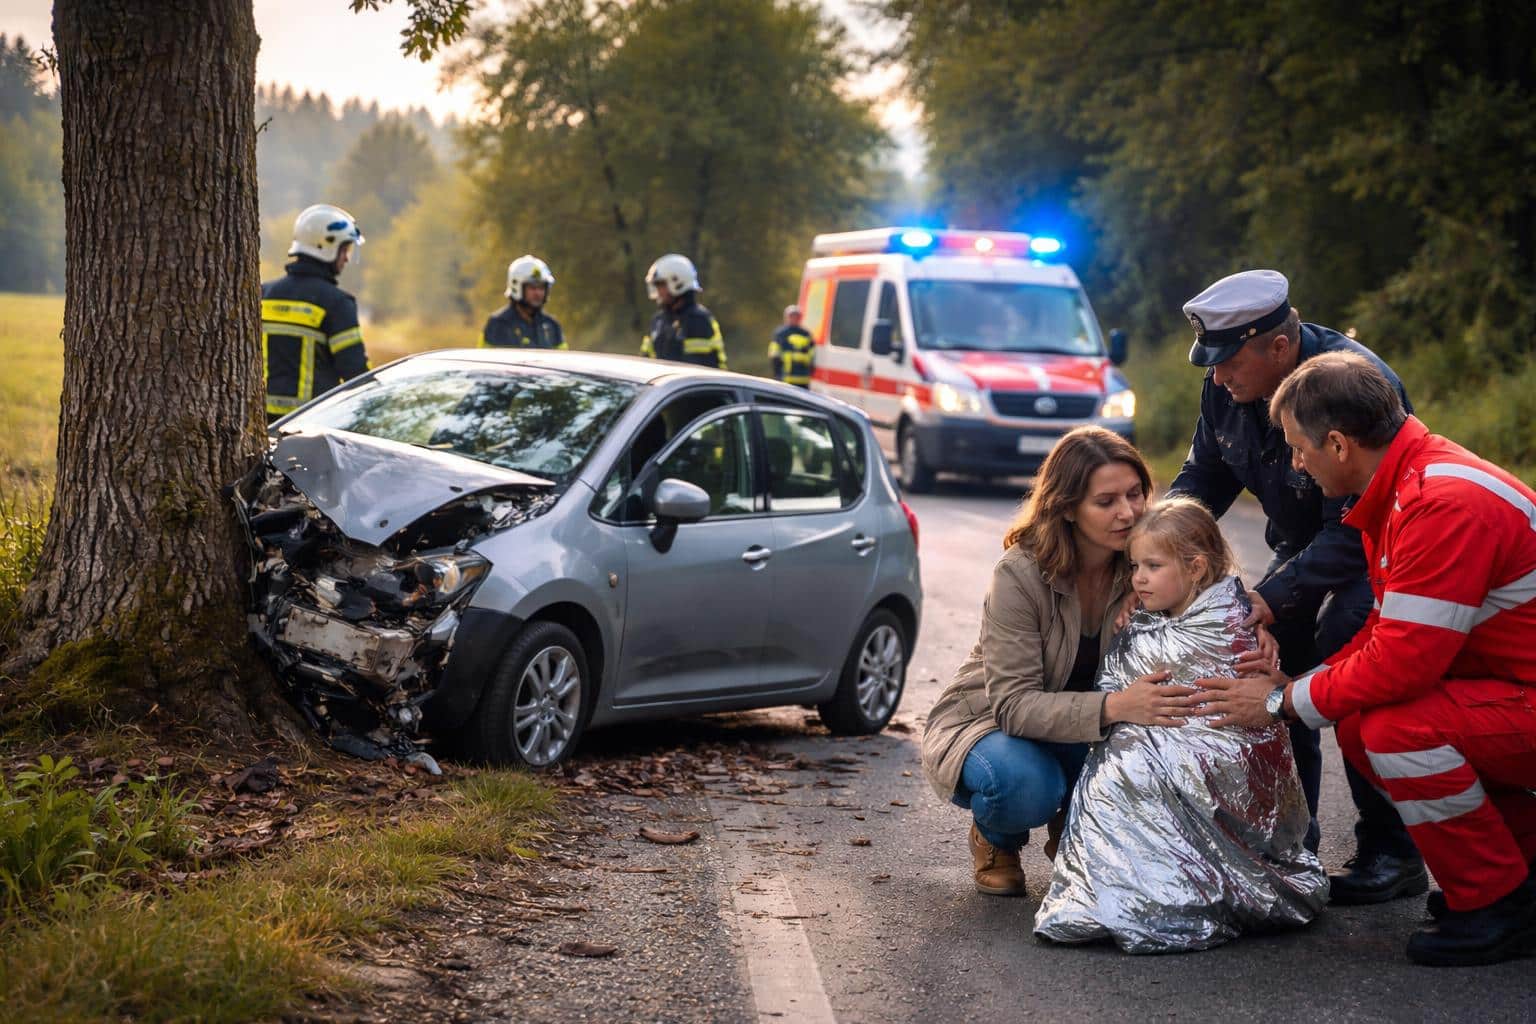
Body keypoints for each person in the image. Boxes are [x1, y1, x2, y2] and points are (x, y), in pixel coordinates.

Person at [1197, 352, 1536, 966]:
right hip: (1514, 687)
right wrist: (1301, 686)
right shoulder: (1408, 483)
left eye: (1299, 449)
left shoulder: (1439, 504)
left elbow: (1402, 664)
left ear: (1337, 444)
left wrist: (1279, 702)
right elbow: (1384, 635)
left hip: (1521, 693)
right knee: (1357, 720)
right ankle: (1519, 876)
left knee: (1400, 730)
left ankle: (1496, 902)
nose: (1296, 464)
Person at [1168, 268, 1422, 902]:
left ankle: (1392, 850)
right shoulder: (1227, 382)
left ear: (1279, 347)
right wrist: (1156, 546)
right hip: (1296, 549)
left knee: (1347, 654)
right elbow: (1205, 478)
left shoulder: (1351, 384)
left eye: (1230, 362)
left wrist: (1272, 596)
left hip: (1372, 552)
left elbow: (1354, 525)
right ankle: (1290, 846)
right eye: (1214, 364)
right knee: (1265, 666)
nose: (1218, 377)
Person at [1034, 497, 1326, 953]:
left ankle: (1179, 892)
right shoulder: (1142, 622)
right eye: (1134, 566)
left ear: (1195, 568)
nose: (1138, 579)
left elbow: (1247, 721)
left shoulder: (1232, 626)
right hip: (1144, 736)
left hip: (1217, 759)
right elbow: (1114, 682)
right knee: (1115, 768)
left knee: (1138, 767)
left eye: (1152, 566)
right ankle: (1113, 890)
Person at [920, 427, 1198, 897]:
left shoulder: (1146, 562)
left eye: (1134, 494)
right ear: (1067, 507)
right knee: (1025, 785)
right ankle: (996, 838)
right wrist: (1116, 707)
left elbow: (1208, 587)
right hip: (991, 724)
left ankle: (1073, 829)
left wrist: (1251, 617)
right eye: (1106, 501)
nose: (1127, 512)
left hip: (1087, 731)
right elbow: (1013, 706)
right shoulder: (1020, 573)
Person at [261, 203, 369, 422]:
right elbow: (355, 374)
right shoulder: (337, 303)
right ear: (326, 247)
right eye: (345, 249)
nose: (346, 258)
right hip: (311, 425)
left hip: (259, 422)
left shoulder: (263, 294)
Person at [639, 253, 726, 369]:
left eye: (660, 285)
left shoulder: (699, 322)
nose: (658, 291)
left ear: (678, 283)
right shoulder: (658, 321)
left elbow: (696, 372)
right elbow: (644, 363)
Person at [480, 255, 566, 350]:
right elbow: (485, 357)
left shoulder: (552, 326)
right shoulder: (498, 324)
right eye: (532, 287)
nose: (538, 293)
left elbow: (563, 357)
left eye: (541, 287)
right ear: (516, 287)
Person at [768, 304, 814, 387]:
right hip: (785, 377)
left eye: (797, 316)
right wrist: (778, 373)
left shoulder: (806, 334)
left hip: (803, 379)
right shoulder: (780, 333)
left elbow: (812, 355)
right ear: (786, 317)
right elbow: (774, 354)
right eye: (792, 316)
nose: (794, 318)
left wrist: (810, 371)